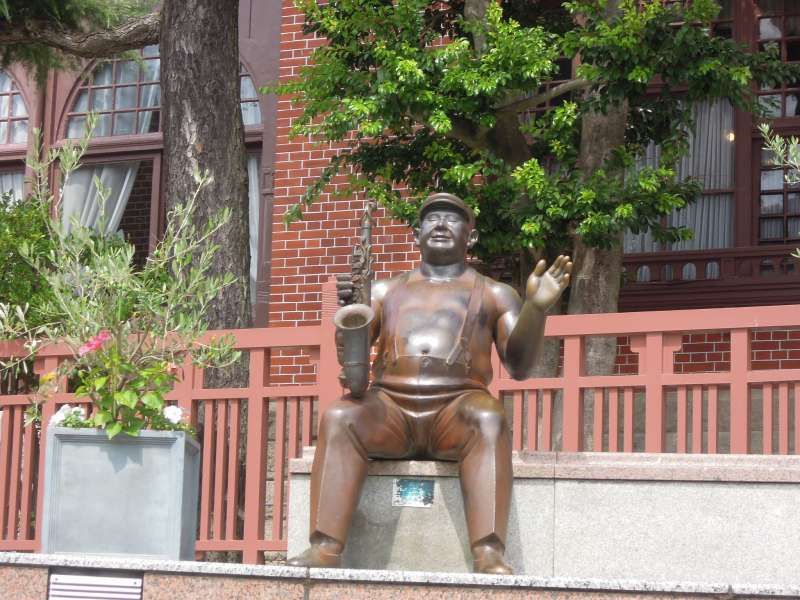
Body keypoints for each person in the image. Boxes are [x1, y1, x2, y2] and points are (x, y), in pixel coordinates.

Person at [288, 192, 571, 574]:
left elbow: (519, 366)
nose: (440, 224)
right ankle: (325, 547)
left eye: (452, 219)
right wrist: (350, 318)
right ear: (416, 233)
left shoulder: (494, 292)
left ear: (470, 238)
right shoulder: (384, 291)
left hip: (457, 409)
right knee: (340, 415)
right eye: (432, 217)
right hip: (389, 407)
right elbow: (352, 361)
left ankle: (489, 551)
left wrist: (536, 309)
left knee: (489, 417)